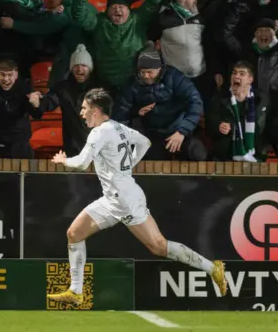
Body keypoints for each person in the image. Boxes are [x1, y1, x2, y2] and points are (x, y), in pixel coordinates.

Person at [48, 88, 227, 305]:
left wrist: (63, 161)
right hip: (114, 198)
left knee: (159, 246)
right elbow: (145, 142)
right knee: (74, 233)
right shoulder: (119, 128)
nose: (82, 113)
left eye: (84, 109)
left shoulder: (99, 132)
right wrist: (128, 167)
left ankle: (212, 268)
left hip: (125, 201)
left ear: (95, 111)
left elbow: (83, 163)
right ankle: (75, 292)